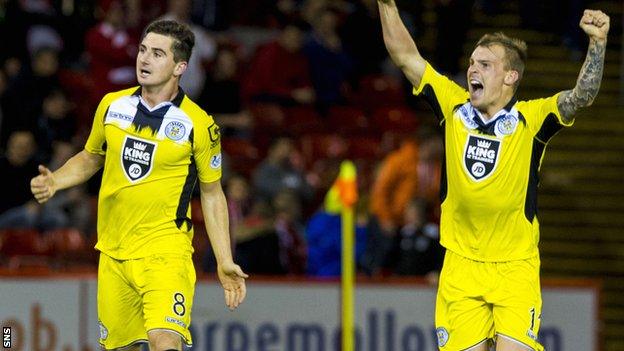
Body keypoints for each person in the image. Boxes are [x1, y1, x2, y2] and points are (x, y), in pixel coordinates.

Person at [378, 1, 609, 350]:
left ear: (510, 76)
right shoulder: (453, 107)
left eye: (485, 64)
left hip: (515, 268)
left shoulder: (531, 120)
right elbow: (406, 57)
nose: (473, 69)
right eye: (472, 62)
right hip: (460, 266)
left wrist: (598, 43)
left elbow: (582, 96)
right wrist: (386, 4)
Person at [31, 19, 248, 350]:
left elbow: (212, 193)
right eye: (143, 50)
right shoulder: (111, 105)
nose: (144, 60)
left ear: (180, 66)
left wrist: (224, 259)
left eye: (158, 54)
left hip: (165, 252)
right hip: (114, 251)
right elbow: (91, 157)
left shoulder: (199, 125)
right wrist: (55, 180)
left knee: (165, 340)